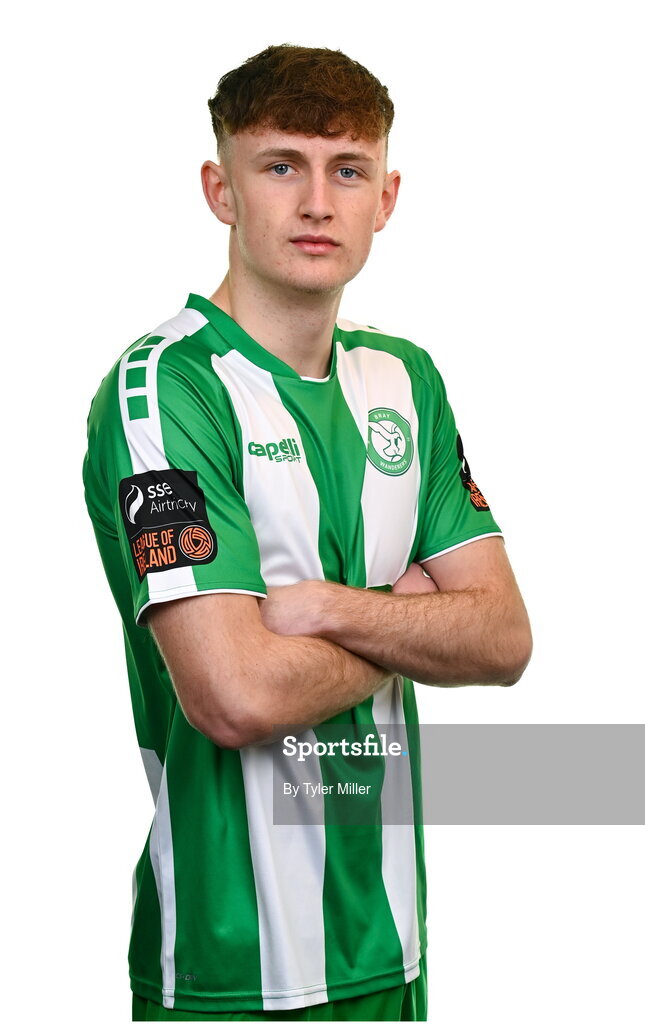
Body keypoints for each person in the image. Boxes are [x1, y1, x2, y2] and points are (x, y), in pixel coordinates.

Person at [83, 43, 532, 1023]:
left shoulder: (405, 381)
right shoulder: (164, 391)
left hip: (391, 950)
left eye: (348, 170)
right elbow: (234, 695)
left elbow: (502, 639)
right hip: (229, 970)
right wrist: (410, 617)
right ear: (222, 189)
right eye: (281, 165)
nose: (317, 202)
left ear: (387, 197)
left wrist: (328, 608)